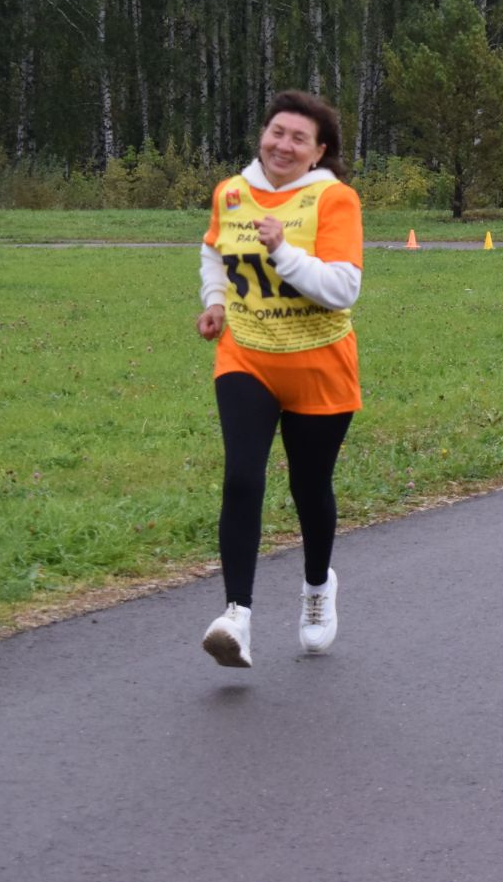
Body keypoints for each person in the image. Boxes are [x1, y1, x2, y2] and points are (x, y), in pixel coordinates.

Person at [197, 91, 363, 668]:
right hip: (247, 358)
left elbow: (343, 288)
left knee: (309, 490)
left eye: (299, 138)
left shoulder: (334, 200)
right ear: (262, 135)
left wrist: (284, 252)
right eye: (276, 131)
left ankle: (318, 587)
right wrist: (215, 301)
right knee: (242, 477)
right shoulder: (231, 192)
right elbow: (214, 250)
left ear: (319, 152)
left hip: (319, 364)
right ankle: (235, 617)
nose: (283, 145)